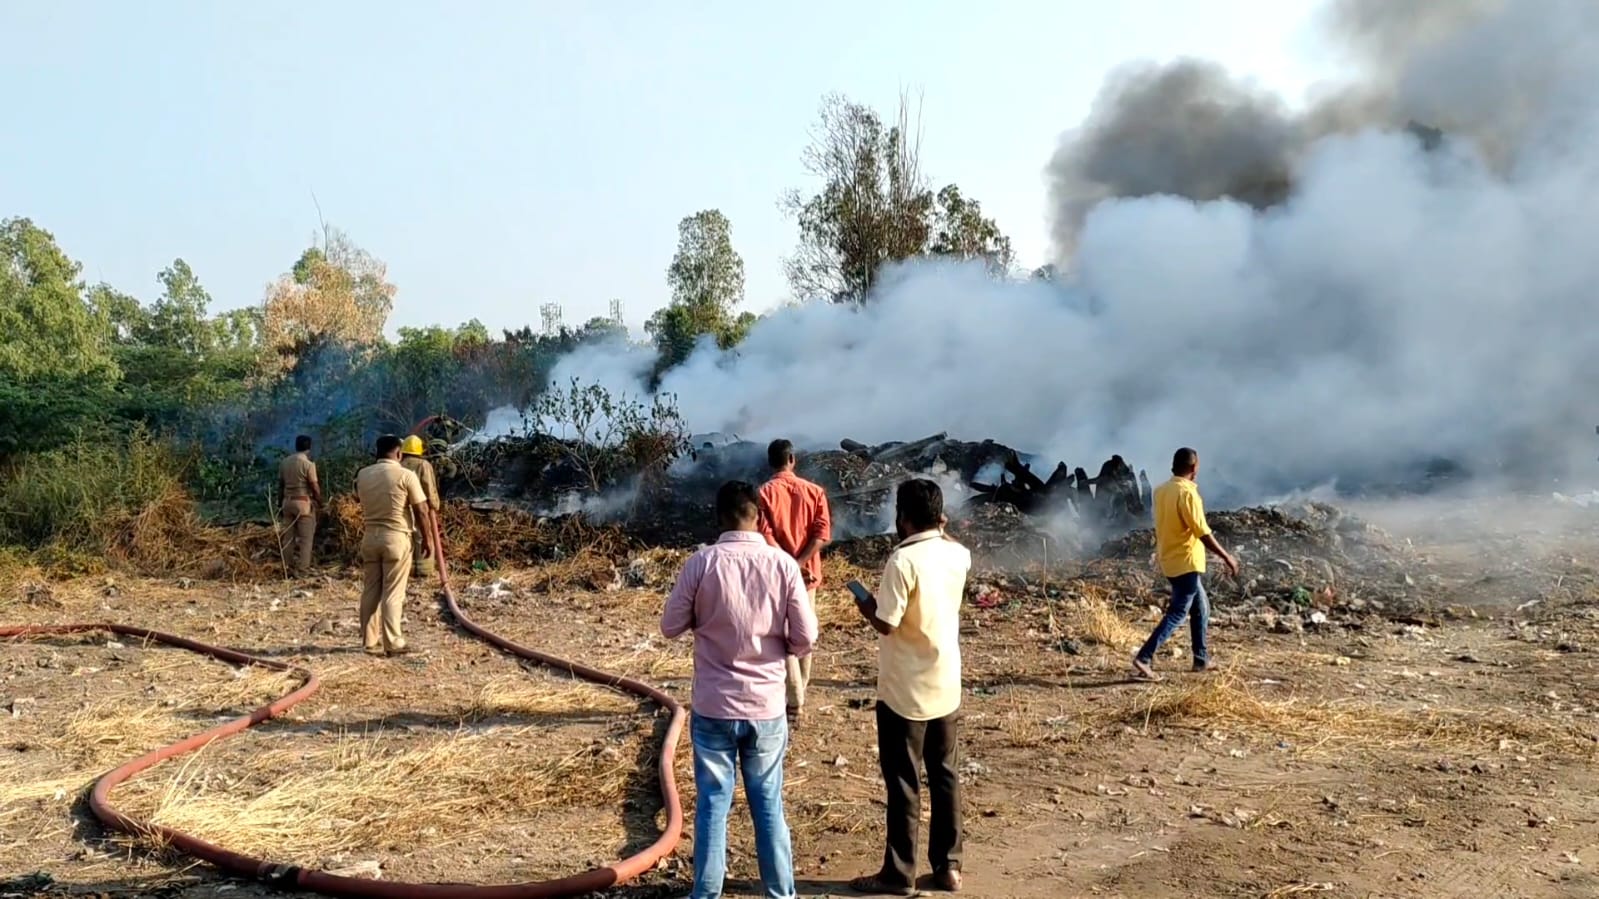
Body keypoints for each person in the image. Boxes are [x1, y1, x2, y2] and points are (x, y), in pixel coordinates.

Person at [662, 480, 817, 899]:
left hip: (713, 705)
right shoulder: (783, 565)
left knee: (713, 803)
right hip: (765, 707)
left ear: (718, 518)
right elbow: (806, 637)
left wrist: (705, 619)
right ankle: (780, 893)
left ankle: (706, 893)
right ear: (760, 518)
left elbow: (669, 626)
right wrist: (774, 645)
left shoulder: (701, 564)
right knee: (768, 804)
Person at [850, 479, 971, 896]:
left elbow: (887, 622)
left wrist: (864, 603)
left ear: (901, 517)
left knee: (904, 782)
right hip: (946, 685)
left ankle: (898, 873)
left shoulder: (901, 562)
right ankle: (949, 867)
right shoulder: (957, 553)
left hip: (905, 692)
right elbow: (948, 542)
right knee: (945, 776)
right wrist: (940, 528)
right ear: (940, 516)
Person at [1131, 447, 1240, 681]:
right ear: (1193, 468)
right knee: (1179, 611)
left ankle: (1201, 659)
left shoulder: (1161, 491)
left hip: (1169, 558)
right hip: (1186, 561)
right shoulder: (1187, 493)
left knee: (1201, 607)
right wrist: (1226, 556)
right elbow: (1202, 532)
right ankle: (1144, 657)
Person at [756, 439, 830, 719]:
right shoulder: (815, 492)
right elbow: (821, 534)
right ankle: (802, 690)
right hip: (808, 575)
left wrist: (787, 565)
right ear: (792, 459)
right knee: (805, 630)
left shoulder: (763, 494)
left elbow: (765, 535)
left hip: (776, 577)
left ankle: (794, 699)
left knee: (782, 634)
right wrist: (799, 564)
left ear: (770, 461)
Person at [354, 435, 432, 657]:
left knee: (370, 589)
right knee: (393, 593)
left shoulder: (363, 474)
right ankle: (393, 642)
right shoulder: (406, 475)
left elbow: (357, 498)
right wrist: (427, 539)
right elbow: (422, 510)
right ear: (399, 453)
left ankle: (369, 640)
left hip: (369, 537)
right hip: (396, 538)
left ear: (376, 452)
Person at [276, 435, 322, 577]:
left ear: (296, 446)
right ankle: (302, 570)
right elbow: (314, 486)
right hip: (303, 503)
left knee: (287, 539)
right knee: (306, 539)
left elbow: (280, 486)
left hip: (287, 503)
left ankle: (287, 569)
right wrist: (320, 502)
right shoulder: (308, 464)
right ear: (309, 447)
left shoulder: (284, 463)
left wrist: (279, 504)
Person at [399, 435, 441, 579]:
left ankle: (407, 570)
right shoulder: (423, 465)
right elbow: (429, 487)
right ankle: (424, 570)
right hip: (421, 507)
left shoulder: (398, 464)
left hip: (402, 508)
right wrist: (434, 505)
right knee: (423, 536)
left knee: (407, 538)